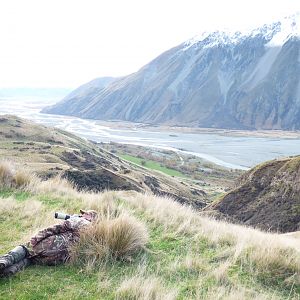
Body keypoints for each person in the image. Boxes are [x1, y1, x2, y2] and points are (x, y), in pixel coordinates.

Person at [0, 209, 98, 277]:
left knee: (25, 248)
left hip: (51, 246)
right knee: (31, 259)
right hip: (58, 259)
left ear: (90, 217)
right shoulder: (95, 231)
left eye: (85, 213)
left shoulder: (81, 220)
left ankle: (3, 262)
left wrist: (37, 237)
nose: (82, 214)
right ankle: (8, 271)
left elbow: (57, 228)